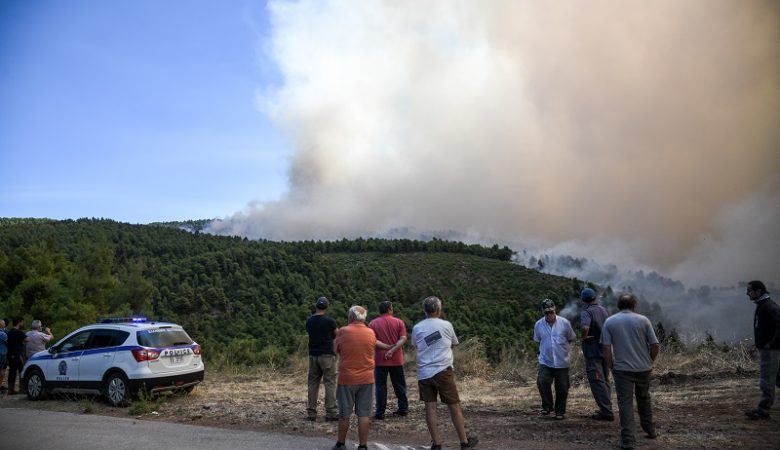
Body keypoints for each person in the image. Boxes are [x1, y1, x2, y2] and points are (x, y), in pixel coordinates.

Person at [411, 296, 478, 450]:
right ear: (438, 309)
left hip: (424, 373)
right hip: (443, 371)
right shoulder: (446, 325)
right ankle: (464, 442)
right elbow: (454, 342)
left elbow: (415, 344)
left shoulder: (417, 327)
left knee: (430, 408)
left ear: (425, 310)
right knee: (454, 406)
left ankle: (436, 444)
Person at [601, 293, 660, 450]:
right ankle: (650, 430)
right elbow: (655, 345)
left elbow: (606, 348)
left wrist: (611, 365)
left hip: (622, 370)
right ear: (634, 305)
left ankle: (628, 440)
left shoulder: (610, 322)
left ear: (618, 306)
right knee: (644, 398)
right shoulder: (643, 320)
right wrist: (649, 361)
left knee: (625, 403)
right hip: (643, 368)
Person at [331, 305, 390, 450]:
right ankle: (363, 446)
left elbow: (335, 350)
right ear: (363, 318)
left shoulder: (343, 331)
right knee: (363, 414)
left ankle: (341, 444)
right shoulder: (370, 332)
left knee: (345, 414)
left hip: (347, 379)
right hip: (367, 378)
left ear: (351, 317)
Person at [533, 298, 576, 420]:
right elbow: (538, 340)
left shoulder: (565, 323)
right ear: (542, 312)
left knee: (562, 387)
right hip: (546, 361)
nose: (549, 314)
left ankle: (559, 411)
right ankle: (547, 406)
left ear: (555, 309)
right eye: (546, 312)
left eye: (551, 312)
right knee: (542, 382)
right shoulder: (538, 325)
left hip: (562, 361)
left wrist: (564, 350)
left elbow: (571, 337)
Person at [744, 280, 780, 420]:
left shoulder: (768, 307)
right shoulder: (764, 305)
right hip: (770, 349)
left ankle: (763, 410)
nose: (747, 293)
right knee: (778, 378)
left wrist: (771, 344)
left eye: (749, 290)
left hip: (770, 351)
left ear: (758, 291)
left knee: (767, 381)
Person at [369, 300, 409, 420]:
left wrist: (386, 347)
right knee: (400, 385)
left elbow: (373, 340)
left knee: (380, 386)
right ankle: (403, 409)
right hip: (397, 359)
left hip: (380, 360)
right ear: (390, 309)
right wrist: (393, 349)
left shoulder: (373, 323)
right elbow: (403, 338)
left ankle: (380, 412)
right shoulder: (399, 322)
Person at [579, 288, 614, 421]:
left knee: (597, 381)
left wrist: (584, 337)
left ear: (583, 300)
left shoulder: (586, 312)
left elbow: (584, 327)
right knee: (605, 380)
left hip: (593, 352)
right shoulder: (604, 310)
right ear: (594, 297)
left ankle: (606, 411)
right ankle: (607, 407)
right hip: (605, 350)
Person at [306, 296, 339, 422]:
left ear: (316, 306)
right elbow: (338, 334)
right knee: (329, 383)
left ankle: (311, 413)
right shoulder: (330, 321)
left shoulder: (309, 321)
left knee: (313, 383)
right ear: (327, 306)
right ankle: (331, 412)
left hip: (313, 355)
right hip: (327, 355)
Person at [6, 317, 27, 395]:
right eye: (22, 322)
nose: (22, 324)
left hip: (10, 354)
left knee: (12, 372)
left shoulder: (10, 331)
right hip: (18, 355)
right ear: (19, 322)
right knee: (22, 371)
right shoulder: (19, 332)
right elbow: (27, 339)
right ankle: (22, 389)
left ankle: (10, 389)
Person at [0, 319, 7, 391]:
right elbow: (8, 343)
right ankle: (0, 384)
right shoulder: (3, 334)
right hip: (2, 354)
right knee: (1, 369)